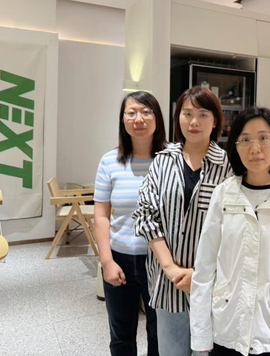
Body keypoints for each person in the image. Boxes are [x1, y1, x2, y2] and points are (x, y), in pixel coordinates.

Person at [190, 106, 270, 356]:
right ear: (235, 146)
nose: (255, 149)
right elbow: (204, 268)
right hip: (228, 328)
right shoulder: (223, 194)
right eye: (245, 140)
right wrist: (201, 336)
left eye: (263, 138)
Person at [134, 86, 232, 356]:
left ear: (215, 121)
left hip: (213, 287)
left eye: (203, 114)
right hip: (169, 285)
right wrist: (170, 268)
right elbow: (145, 215)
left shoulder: (229, 166)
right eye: (187, 114)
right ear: (178, 118)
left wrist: (198, 277)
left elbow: (233, 228)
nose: (194, 121)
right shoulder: (163, 161)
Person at [94, 91, 167, 356]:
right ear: (122, 119)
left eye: (146, 112)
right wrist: (107, 262)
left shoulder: (171, 159)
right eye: (132, 113)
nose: (139, 119)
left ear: (157, 118)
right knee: (121, 334)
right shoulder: (109, 161)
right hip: (120, 258)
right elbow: (101, 215)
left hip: (161, 260)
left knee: (160, 332)